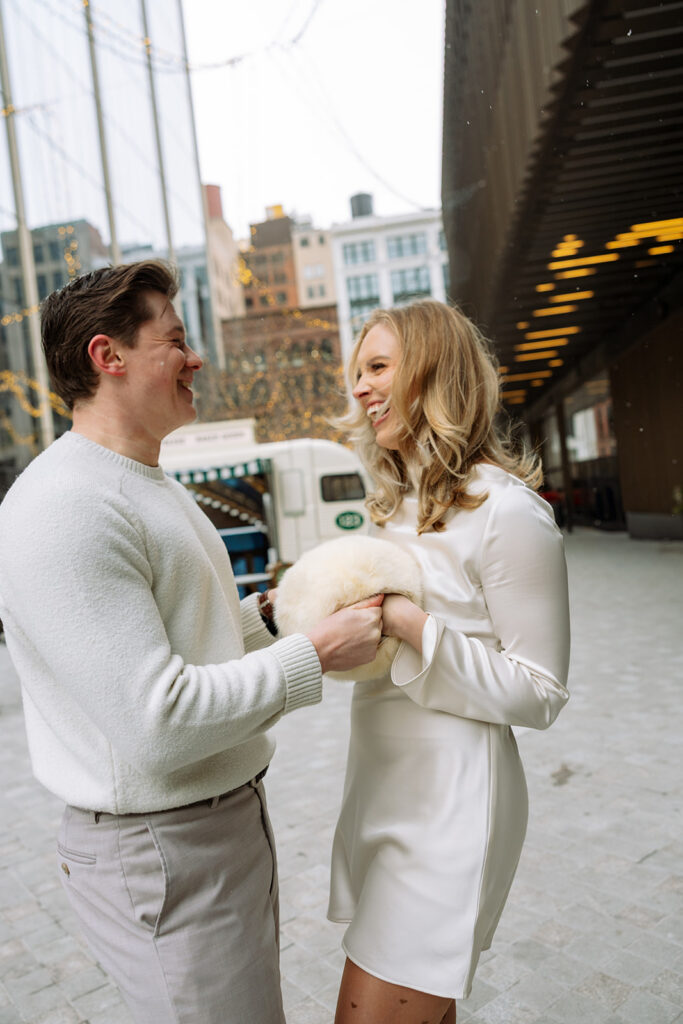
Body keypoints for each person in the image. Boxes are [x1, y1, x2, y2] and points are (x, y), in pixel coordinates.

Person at [0, 260, 383, 1024]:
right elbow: (158, 722)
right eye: (174, 340)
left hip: (213, 829)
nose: (194, 357)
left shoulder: (147, 482)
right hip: (161, 849)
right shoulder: (64, 507)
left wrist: (274, 616)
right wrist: (314, 653)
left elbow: (185, 642)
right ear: (108, 358)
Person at [328, 299, 570, 1024]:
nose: (361, 388)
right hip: (382, 786)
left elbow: (541, 693)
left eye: (378, 368)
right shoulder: (388, 508)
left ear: (433, 372)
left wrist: (405, 621)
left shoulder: (507, 512)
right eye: (357, 373)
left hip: (452, 804)